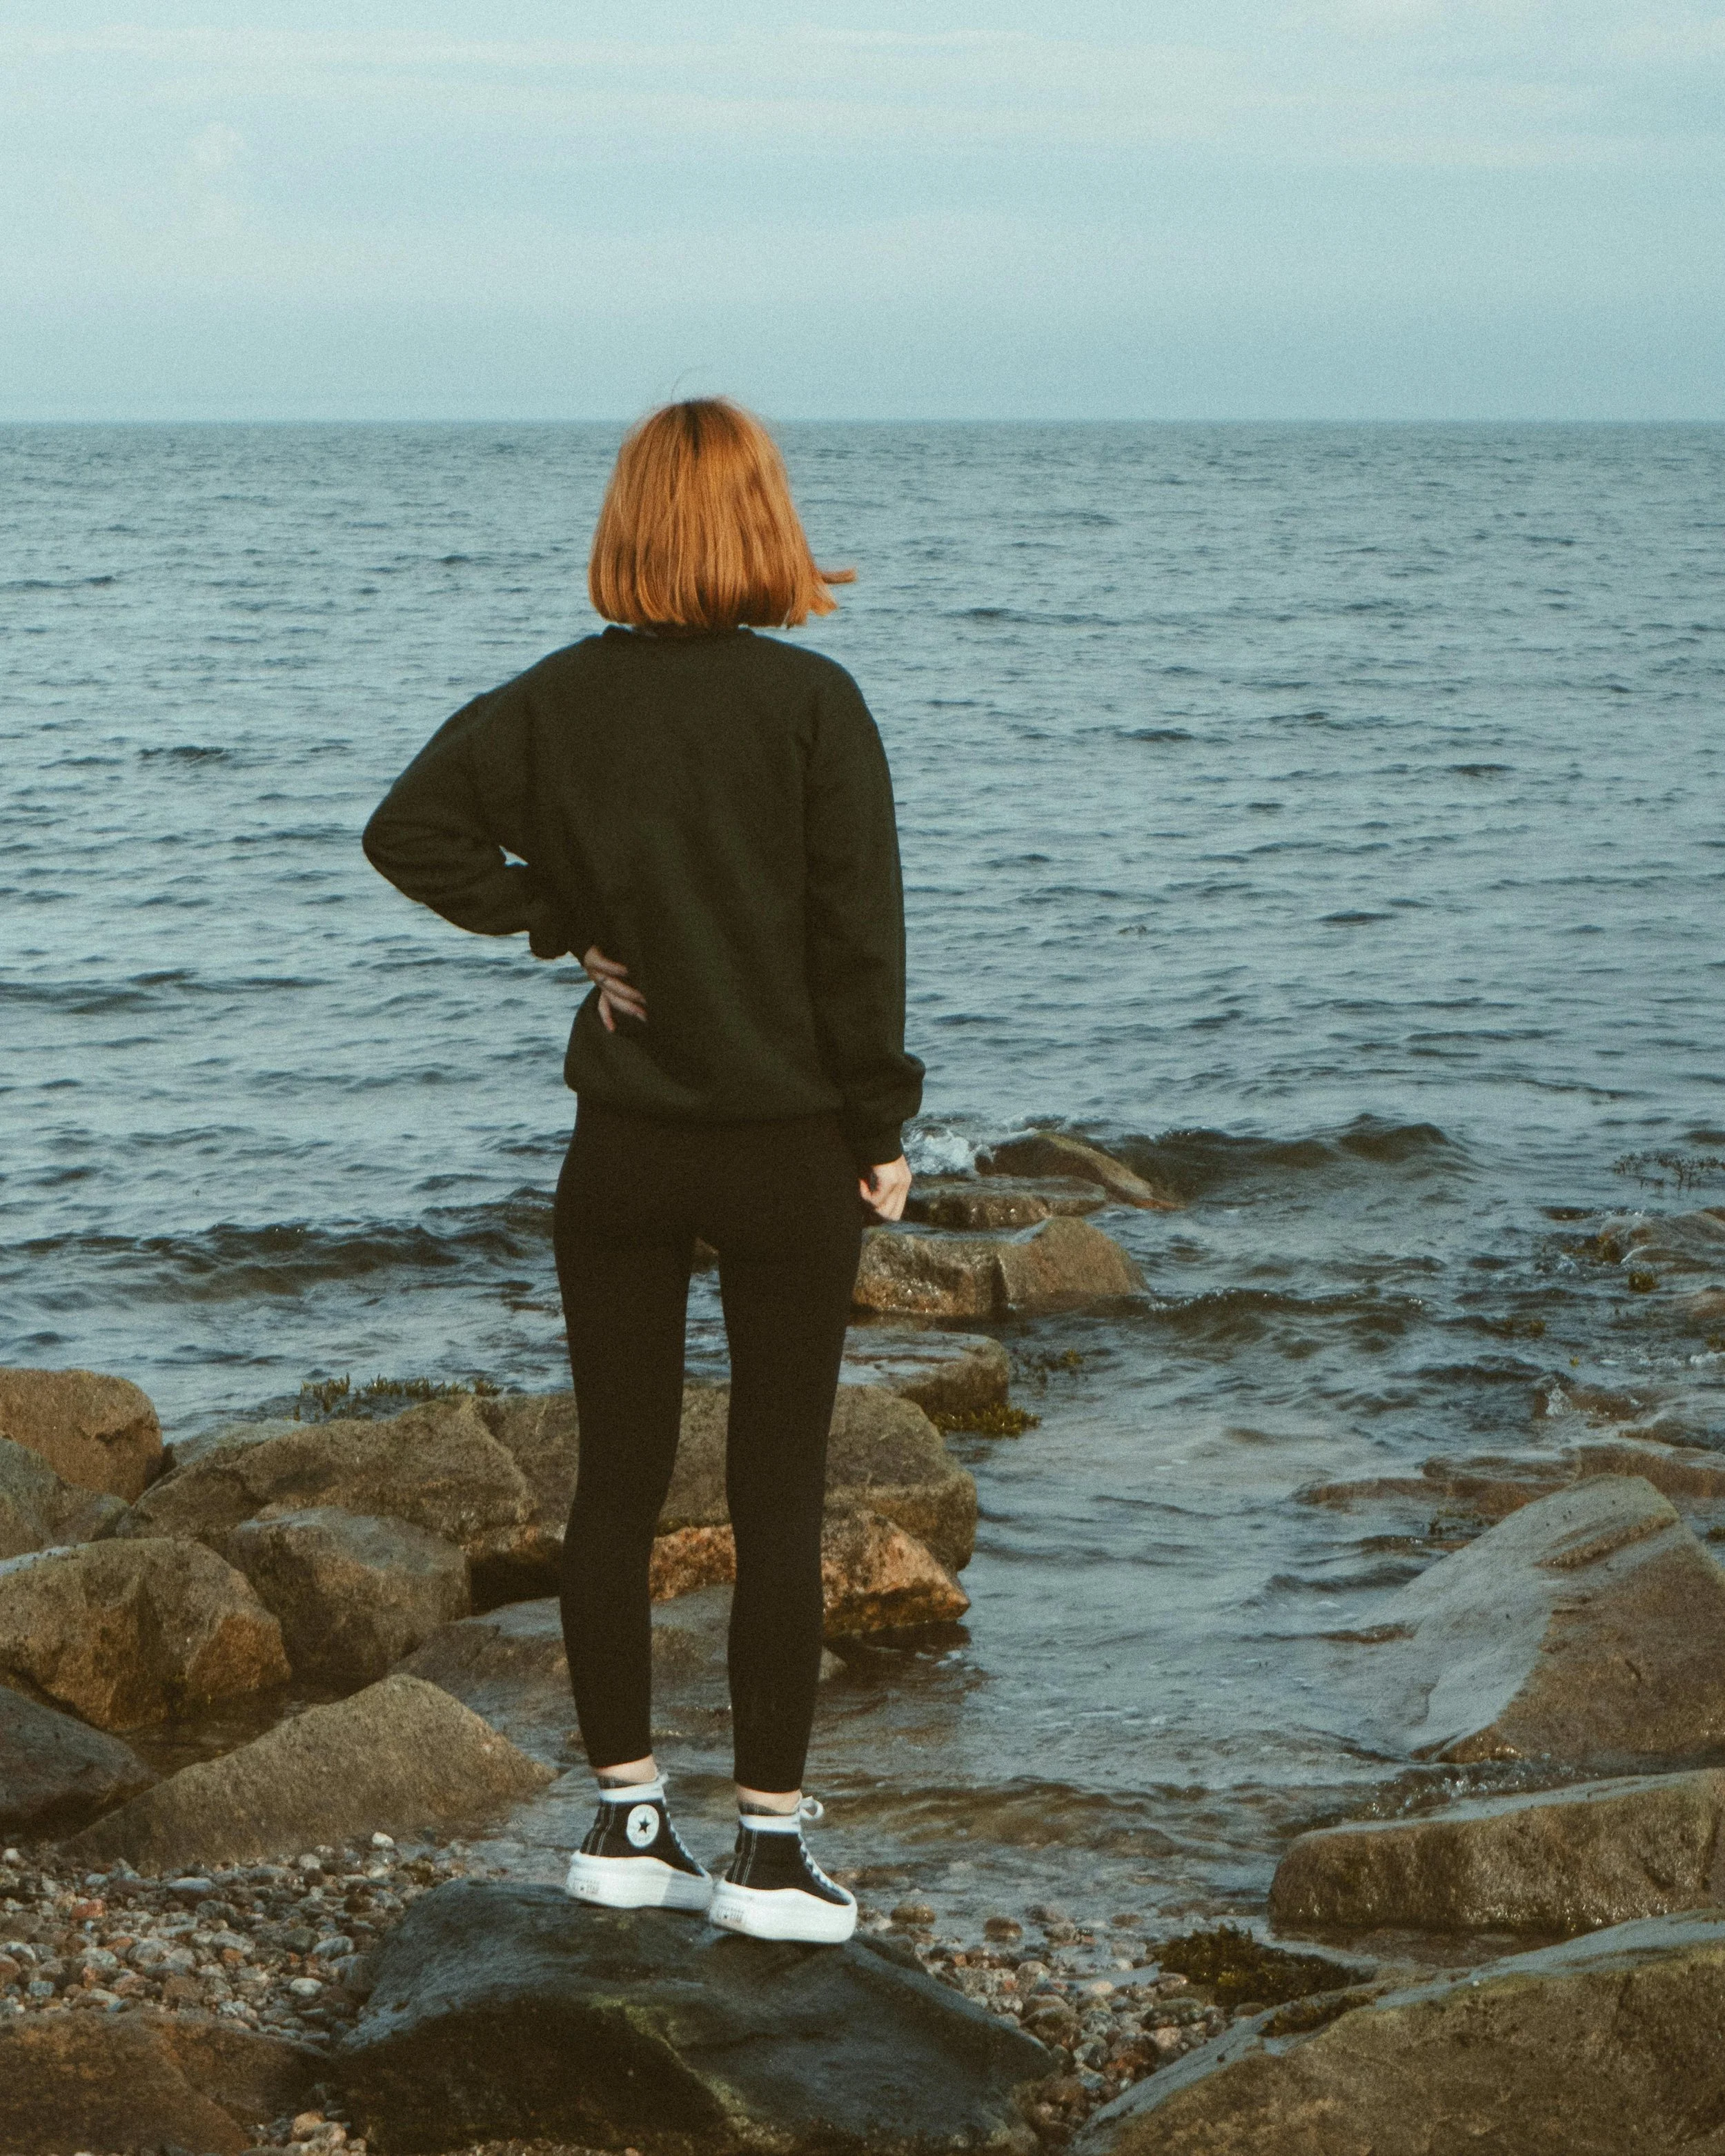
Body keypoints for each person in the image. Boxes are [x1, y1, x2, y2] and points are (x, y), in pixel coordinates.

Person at [362, 397, 924, 1944]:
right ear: (762, 525)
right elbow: (854, 941)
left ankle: (620, 1818)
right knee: (776, 1488)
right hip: (782, 1153)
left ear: (627, 524)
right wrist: (879, 1128)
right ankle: (766, 1851)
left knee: (612, 1481)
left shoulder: (555, 701)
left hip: (618, 1151)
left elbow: (408, 831)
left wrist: (561, 921)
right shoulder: (814, 704)